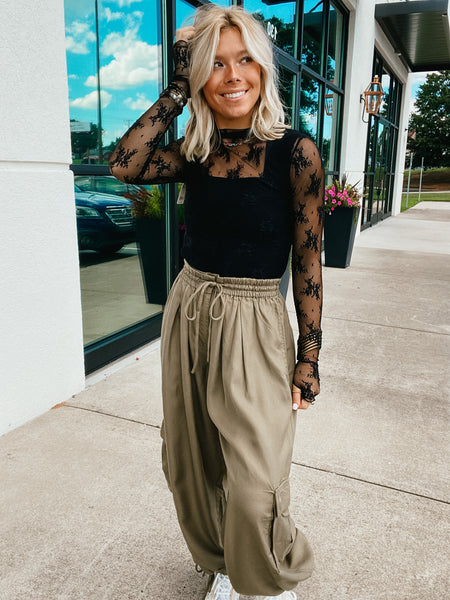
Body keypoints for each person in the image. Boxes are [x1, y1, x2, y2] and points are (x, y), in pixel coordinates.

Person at [109, 5, 324, 599]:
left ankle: (269, 575)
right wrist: (179, 87)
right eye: (216, 64)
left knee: (256, 475)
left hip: (255, 319)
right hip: (190, 307)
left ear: (264, 69)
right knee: (190, 460)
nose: (232, 77)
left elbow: (308, 260)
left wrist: (309, 355)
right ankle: (226, 564)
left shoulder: (296, 152)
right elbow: (125, 163)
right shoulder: (197, 150)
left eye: (244, 60)